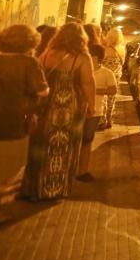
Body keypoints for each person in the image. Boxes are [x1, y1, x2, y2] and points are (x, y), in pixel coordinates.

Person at [0, 25, 48, 223]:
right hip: (10, 120)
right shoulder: (29, 63)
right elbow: (42, 92)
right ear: (30, 42)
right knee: (2, 166)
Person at [22, 23, 95, 201]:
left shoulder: (47, 53)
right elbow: (88, 82)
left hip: (46, 105)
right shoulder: (82, 57)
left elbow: (37, 74)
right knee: (64, 147)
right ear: (81, 38)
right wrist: (92, 106)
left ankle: (33, 188)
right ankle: (54, 189)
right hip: (69, 108)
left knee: (39, 145)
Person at [76, 45, 116, 181]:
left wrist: (93, 91)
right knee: (76, 140)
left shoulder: (106, 73)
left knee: (87, 140)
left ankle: (83, 170)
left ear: (96, 58)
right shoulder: (81, 70)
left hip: (95, 111)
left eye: (89, 55)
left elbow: (113, 90)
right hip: (78, 110)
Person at [100, 27, 125, 128]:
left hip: (106, 76)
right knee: (112, 97)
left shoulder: (105, 49)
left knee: (104, 97)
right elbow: (122, 63)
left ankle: (103, 120)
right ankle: (109, 119)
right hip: (116, 75)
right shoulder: (121, 49)